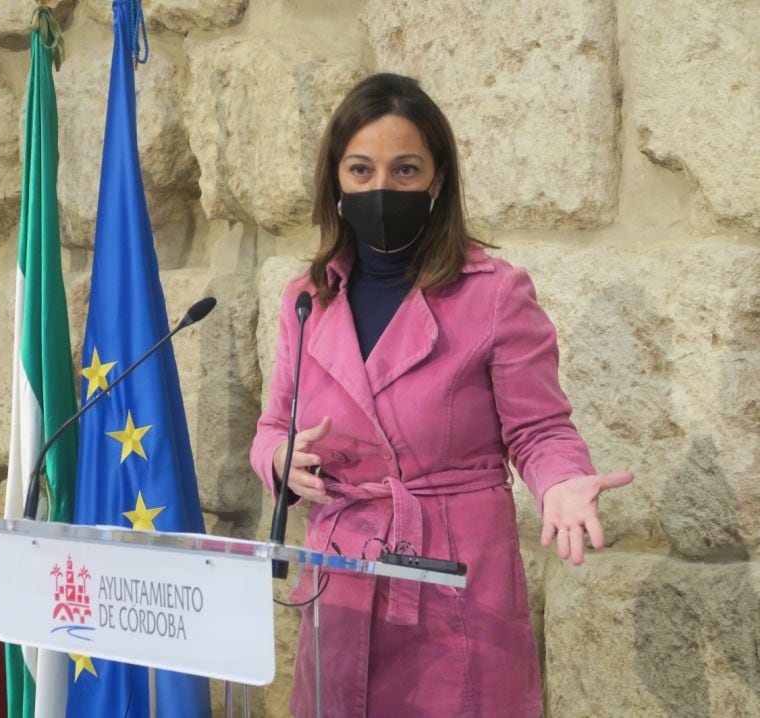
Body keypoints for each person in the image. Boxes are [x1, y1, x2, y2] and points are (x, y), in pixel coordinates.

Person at [249, 73, 633, 718]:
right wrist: (280, 461)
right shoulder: (307, 296)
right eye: (361, 169)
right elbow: (272, 426)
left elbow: (540, 431)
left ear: (437, 179)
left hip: (454, 572)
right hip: (339, 571)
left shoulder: (494, 291)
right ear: (336, 181)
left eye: (405, 169)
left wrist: (562, 481)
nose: (381, 188)